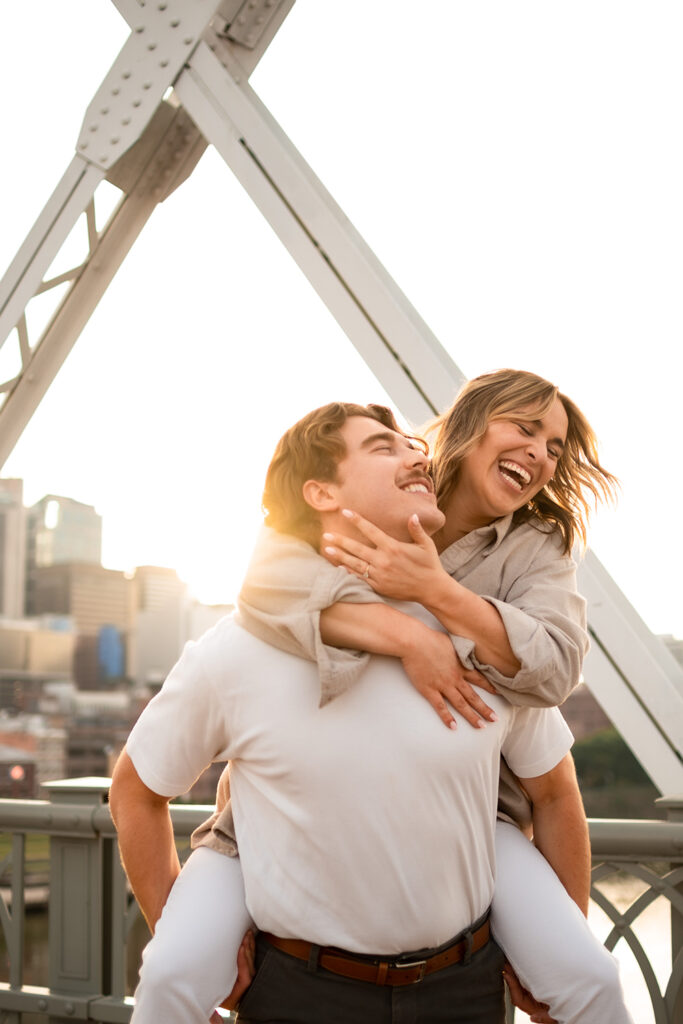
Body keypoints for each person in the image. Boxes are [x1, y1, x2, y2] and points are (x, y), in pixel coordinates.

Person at [110, 398, 599, 1024]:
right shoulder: (239, 647)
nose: (414, 453)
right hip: (299, 992)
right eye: (383, 447)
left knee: (595, 985)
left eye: (554, 446)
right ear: (319, 493)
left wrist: (555, 957)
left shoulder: (483, 638)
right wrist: (179, 933)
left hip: (463, 990)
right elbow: (136, 790)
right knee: (170, 979)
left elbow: (557, 788)